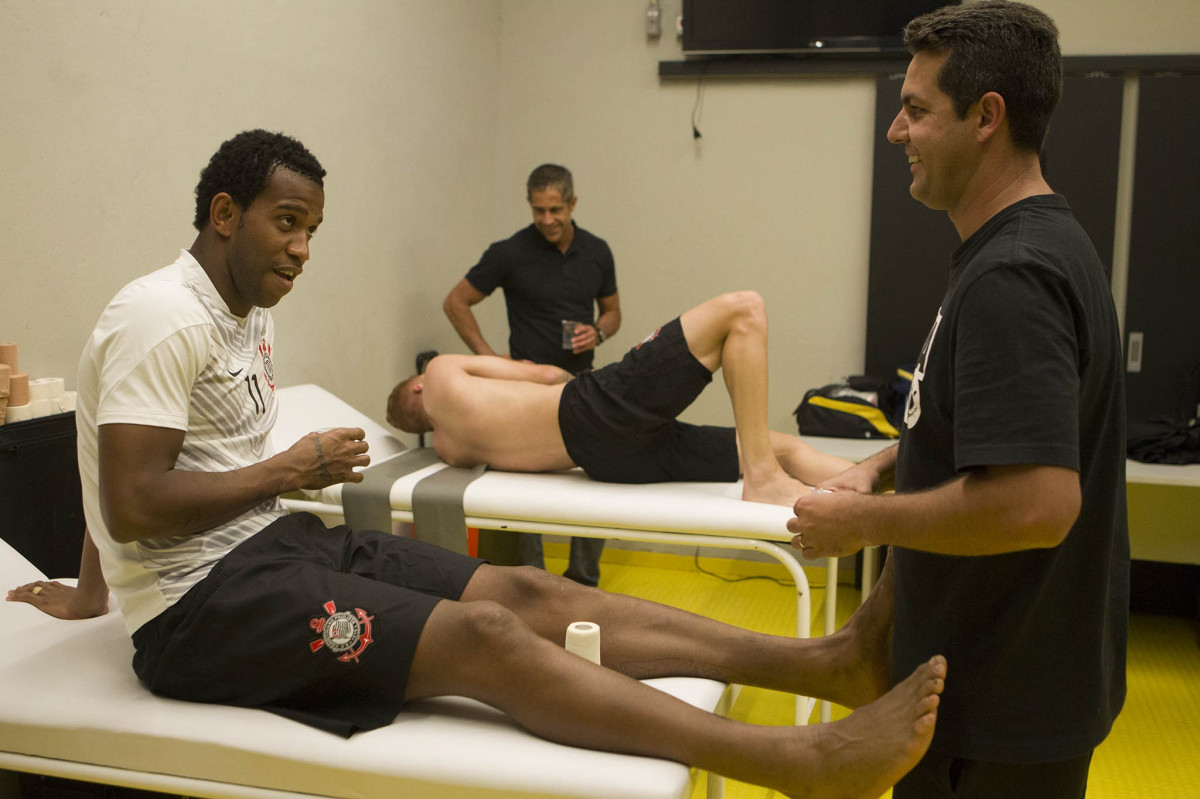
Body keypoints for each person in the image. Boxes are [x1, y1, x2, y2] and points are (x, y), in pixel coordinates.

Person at [61, 128, 947, 798]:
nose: (302, 249)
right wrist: (288, 469)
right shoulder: (160, 315)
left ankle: (823, 663)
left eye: (312, 230)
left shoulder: (242, 310)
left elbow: (112, 448)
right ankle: (798, 760)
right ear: (224, 214)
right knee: (487, 637)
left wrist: (94, 587)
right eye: (287, 225)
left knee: (524, 592)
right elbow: (133, 497)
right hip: (195, 615)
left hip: (270, 548)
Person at [788, 3, 1128, 796]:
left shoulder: (1015, 276)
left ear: (987, 116)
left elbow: (1038, 501)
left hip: (999, 718)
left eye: (915, 110)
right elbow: (989, 431)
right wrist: (880, 465)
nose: (895, 133)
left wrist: (862, 523)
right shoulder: (1020, 249)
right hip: (999, 693)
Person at [390, 290, 854, 507]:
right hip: (592, 408)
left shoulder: (450, 449)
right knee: (744, 309)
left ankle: (867, 486)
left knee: (783, 448)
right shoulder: (439, 372)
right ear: (416, 387)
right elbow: (547, 374)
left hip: (607, 462)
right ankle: (765, 477)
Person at [442, 164, 620, 584]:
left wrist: (597, 332)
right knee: (524, 486)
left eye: (555, 209)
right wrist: (493, 363)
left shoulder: (597, 251)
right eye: (539, 210)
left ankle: (583, 580)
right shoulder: (509, 252)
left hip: (578, 384)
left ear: (573, 203)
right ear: (530, 205)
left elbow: (612, 313)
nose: (547, 220)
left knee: (595, 479)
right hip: (520, 391)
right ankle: (532, 581)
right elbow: (455, 302)